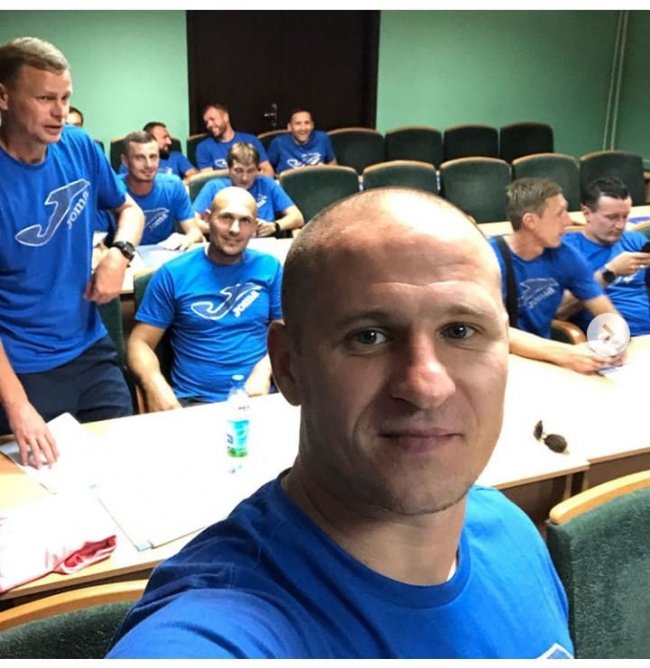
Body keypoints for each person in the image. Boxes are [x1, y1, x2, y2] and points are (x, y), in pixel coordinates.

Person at [109, 188, 573, 659]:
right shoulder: (217, 628)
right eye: (368, 337)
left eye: (460, 331)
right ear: (289, 367)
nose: (426, 385)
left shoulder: (513, 532)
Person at [0, 37, 143, 468]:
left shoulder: (78, 146)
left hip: (89, 349)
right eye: (45, 99)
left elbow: (129, 210)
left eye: (65, 98)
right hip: (22, 367)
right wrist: (18, 406)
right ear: (4, 97)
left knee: (122, 465)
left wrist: (119, 253)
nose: (60, 112)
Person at [126, 186, 283, 411]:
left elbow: (284, 329)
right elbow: (139, 343)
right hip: (196, 402)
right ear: (207, 219)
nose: (235, 229)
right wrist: (155, 386)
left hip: (262, 395)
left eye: (245, 221)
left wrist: (265, 370)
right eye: (226, 218)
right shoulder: (173, 274)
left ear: (254, 228)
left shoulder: (270, 268)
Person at [489, 177, 624, 374]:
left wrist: (615, 338)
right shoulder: (489, 260)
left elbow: (605, 311)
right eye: (560, 213)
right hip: (497, 363)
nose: (568, 221)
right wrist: (565, 353)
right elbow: (492, 332)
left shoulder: (565, 255)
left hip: (543, 363)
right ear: (530, 221)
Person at [561, 176, 650, 336]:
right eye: (612, 217)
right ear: (587, 213)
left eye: (625, 216)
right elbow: (559, 309)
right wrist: (610, 272)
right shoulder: (567, 249)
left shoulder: (635, 241)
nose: (620, 225)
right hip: (607, 339)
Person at [108, 130, 203, 249]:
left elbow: (194, 231)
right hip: (123, 255)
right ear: (125, 161)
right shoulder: (111, 188)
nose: (148, 165)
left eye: (153, 157)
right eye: (140, 158)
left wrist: (188, 239)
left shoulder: (173, 185)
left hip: (164, 254)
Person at [192, 142, 304, 237]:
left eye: (250, 171)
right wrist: (218, 228)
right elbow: (192, 222)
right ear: (229, 169)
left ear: (257, 170)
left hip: (263, 242)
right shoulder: (214, 187)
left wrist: (275, 226)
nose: (245, 178)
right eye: (239, 171)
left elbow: (297, 217)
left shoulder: (267, 184)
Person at [195, 103, 273, 176]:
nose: (209, 125)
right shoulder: (203, 147)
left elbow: (268, 171)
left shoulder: (251, 140)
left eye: (212, 119)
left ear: (226, 117)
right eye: (206, 122)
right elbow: (208, 178)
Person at [118, 121, 198, 181]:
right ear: (151, 139)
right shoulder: (131, 162)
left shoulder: (176, 156)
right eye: (164, 137)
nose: (169, 142)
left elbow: (195, 177)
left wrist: (179, 185)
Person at [268, 107, 337, 174]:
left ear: (312, 125)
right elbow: (268, 169)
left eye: (307, 123)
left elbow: (333, 163)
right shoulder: (279, 143)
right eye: (298, 123)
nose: (303, 128)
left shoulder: (322, 138)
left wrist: (325, 168)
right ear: (289, 127)